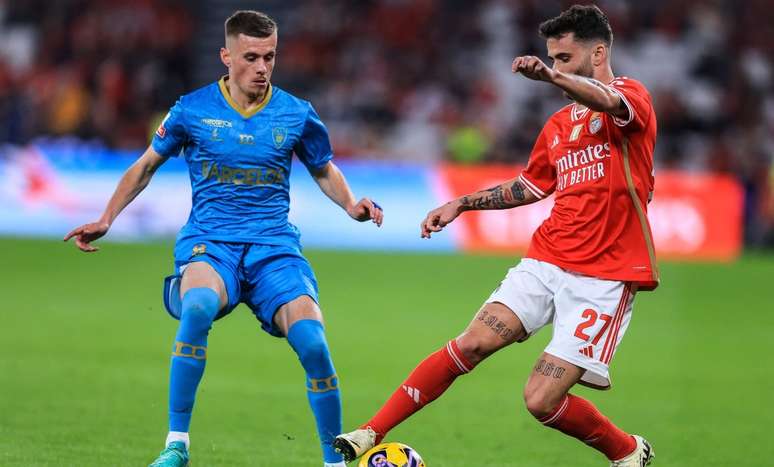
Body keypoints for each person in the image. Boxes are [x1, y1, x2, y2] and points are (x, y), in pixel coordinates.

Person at [334, 4, 657, 466]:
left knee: (541, 400)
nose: (556, 66)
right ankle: (371, 431)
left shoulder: (631, 98)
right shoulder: (558, 126)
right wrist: (462, 203)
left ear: (599, 51)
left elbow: (606, 101)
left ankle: (627, 451)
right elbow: (530, 185)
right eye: (553, 59)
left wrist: (551, 78)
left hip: (604, 276)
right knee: (472, 342)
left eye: (565, 58)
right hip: (546, 261)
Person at [64, 10, 383, 467]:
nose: (261, 68)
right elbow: (144, 166)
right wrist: (106, 218)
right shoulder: (192, 109)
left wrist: (351, 204)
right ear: (226, 56)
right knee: (195, 310)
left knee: (314, 343)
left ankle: (333, 462)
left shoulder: (296, 113)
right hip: (211, 243)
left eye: (269, 57)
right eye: (250, 57)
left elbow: (323, 169)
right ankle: (177, 445)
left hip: (274, 247)